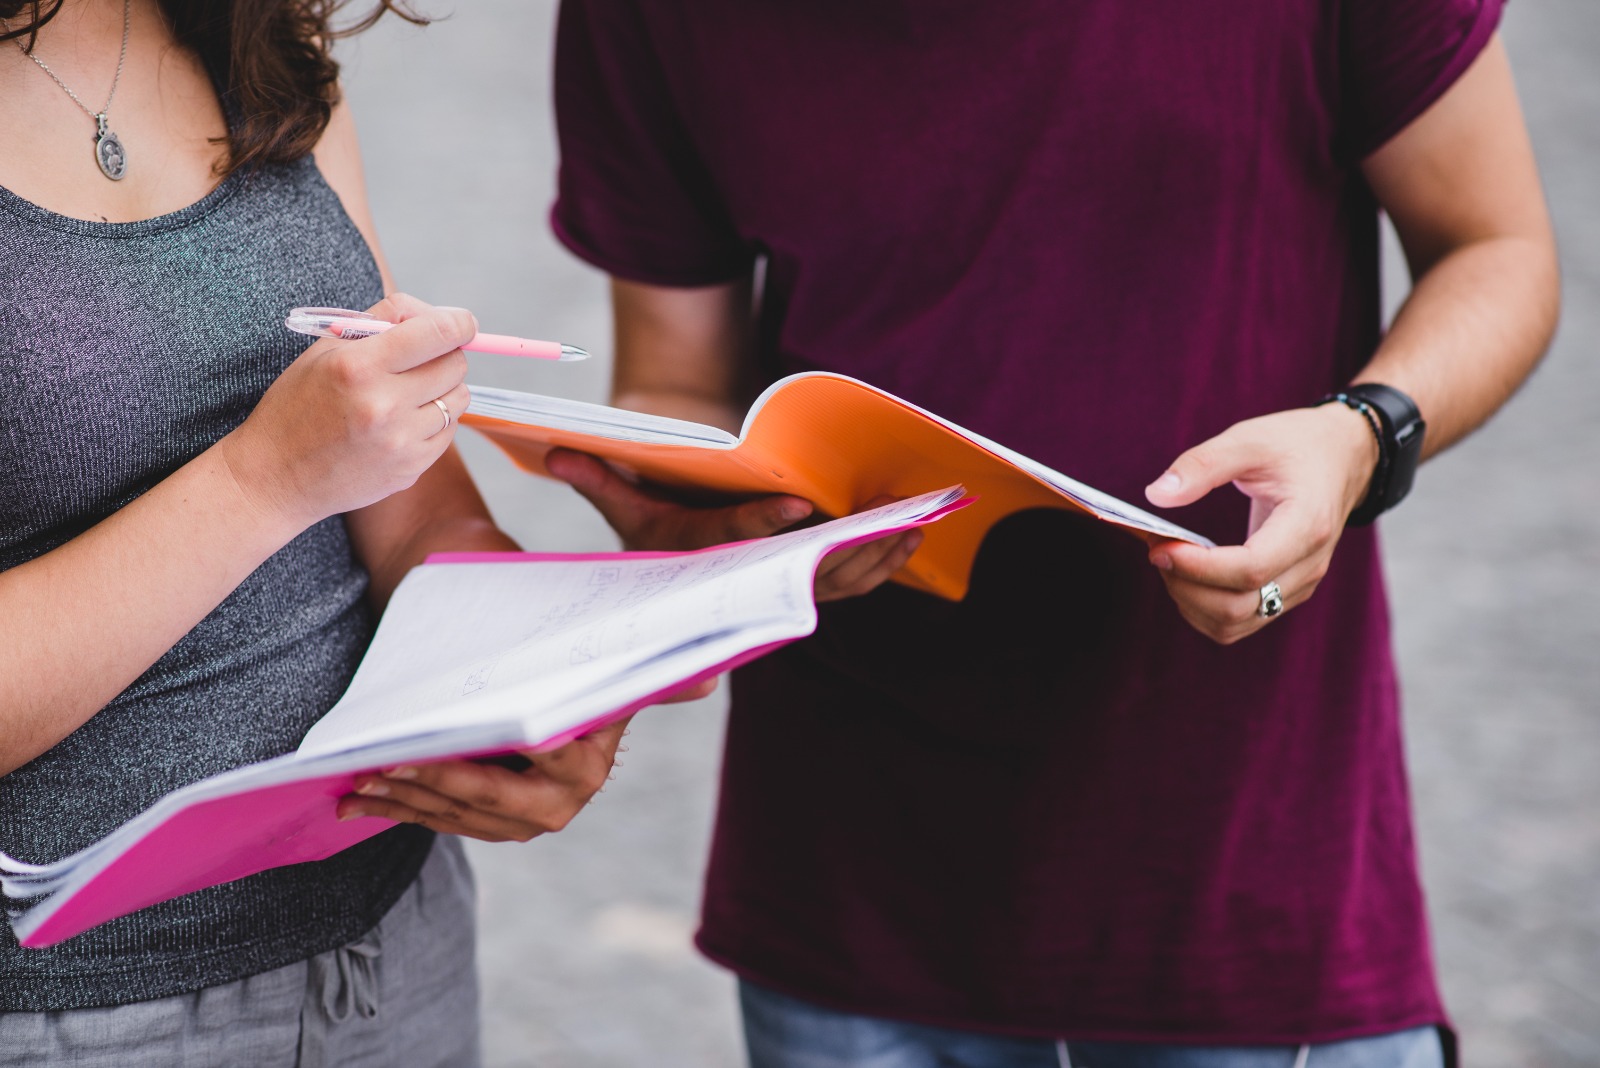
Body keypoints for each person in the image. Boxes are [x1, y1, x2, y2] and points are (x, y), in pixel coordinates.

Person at [540, 0, 1560, 1065]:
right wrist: (712, 535)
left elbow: (1495, 248)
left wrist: (1361, 439)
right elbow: (674, 377)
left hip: (1242, 859)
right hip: (850, 871)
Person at [0, 1, 705, 1062]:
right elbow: (302, 461)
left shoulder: (246, 28)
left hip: (387, 943)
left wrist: (533, 673)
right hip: (75, 1012)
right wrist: (260, 480)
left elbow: (395, 488)